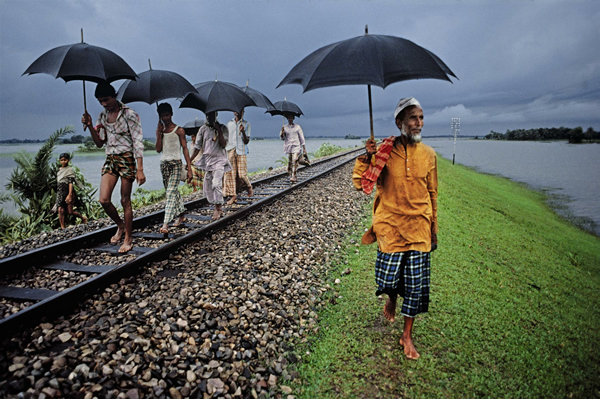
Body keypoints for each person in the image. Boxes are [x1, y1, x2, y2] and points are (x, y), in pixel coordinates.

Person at [352, 97, 438, 360]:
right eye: (413, 118)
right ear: (400, 122)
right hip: (390, 226)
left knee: (415, 286)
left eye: (421, 118)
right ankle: (391, 297)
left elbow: (432, 193)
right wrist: (368, 156)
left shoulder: (429, 154)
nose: (418, 123)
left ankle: (407, 335)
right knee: (387, 279)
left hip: (419, 228)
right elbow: (359, 184)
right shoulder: (383, 153)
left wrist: (433, 228)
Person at [81, 82, 146, 253]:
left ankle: (128, 238)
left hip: (126, 158)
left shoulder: (129, 115)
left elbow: (138, 142)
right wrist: (89, 127)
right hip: (110, 158)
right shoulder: (102, 117)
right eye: (100, 101)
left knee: (125, 200)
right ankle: (120, 225)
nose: (104, 104)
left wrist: (140, 169)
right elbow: (99, 143)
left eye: (106, 100)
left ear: (114, 96)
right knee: (104, 199)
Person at [155, 103, 193, 234]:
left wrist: (189, 168)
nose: (165, 118)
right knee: (172, 191)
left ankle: (166, 223)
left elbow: (185, 149)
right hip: (164, 164)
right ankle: (181, 214)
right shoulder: (160, 130)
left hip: (176, 163)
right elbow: (158, 149)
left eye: (167, 115)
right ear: (159, 116)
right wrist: (158, 133)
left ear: (171, 114)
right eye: (162, 115)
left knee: (171, 192)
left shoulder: (179, 130)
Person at [189, 111, 231, 220]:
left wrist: (218, 131)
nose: (210, 117)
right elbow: (197, 147)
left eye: (212, 115)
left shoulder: (223, 128)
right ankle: (218, 206)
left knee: (216, 184)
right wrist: (189, 160)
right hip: (208, 161)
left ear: (216, 115)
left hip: (219, 159)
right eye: (208, 115)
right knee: (207, 186)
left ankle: (217, 209)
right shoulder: (203, 129)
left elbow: (223, 144)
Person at [224, 109, 253, 204]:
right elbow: (227, 138)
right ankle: (233, 195)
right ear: (233, 112)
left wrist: (243, 132)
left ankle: (249, 186)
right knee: (230, 174)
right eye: (235, 111)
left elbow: (246, 141)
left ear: (243, 112)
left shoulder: (246, 124)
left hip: (241, 150)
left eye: (240, 111)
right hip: (231, 150)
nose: (237, 112)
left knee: (242, 174)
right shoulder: (229, 124)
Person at [54, 152, 87, 228]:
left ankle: (83, 218)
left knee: (70, 211)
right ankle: (63, 227)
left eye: (65, 160)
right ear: (59, 161)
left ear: (68, 160)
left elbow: (70, 183)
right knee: (60, 210)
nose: (63, 162)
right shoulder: (59, 170)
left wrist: (70, 194)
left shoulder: (69, 170)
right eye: (61, 160)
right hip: (60, 192)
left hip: (68, 191)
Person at [280, 113, 307, 183]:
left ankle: (293, 176)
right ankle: (291, 172)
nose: (290, 119)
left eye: (291, 118)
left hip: (296, 146)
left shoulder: (297, 127)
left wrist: (304, 149)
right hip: (289, 147)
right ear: (287, 119)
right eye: (289, 118)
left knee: (294, 160)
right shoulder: (284, 127)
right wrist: (282, 133)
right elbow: (282, 138)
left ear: (293, 118)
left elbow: (302, 138)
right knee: (290, 162)